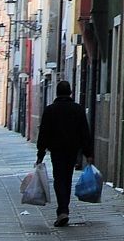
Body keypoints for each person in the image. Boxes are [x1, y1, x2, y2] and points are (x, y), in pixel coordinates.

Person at [36, 80, 93, 227]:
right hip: (72, 150)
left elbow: (43, 133)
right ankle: (64, 209)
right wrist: (88, 153)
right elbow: (84, 132)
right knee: (67, 179)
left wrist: (40, 154)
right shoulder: (77, 109)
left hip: (56, 150)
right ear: (70, 93)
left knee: (59, 179)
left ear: (56, 92)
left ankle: (62, 210)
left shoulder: (50, 110)